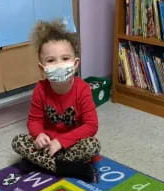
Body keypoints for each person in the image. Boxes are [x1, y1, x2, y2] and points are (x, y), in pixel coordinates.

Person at [12, 20, 100, 182]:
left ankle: (38, 164)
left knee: (92, 146)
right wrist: (38, 135)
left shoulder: (83, 89)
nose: (59, 65)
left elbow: (91, 125)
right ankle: (67, 168)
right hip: (47, 144)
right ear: (42, 68)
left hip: (71, 143)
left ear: (75, 64)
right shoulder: (40, 89)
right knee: (18, 142)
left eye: (65, 58)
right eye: (51, 60)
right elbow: (34, 120)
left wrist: (62, 141)